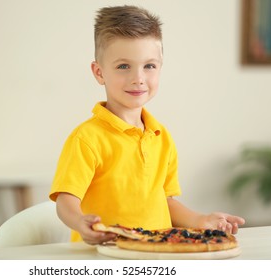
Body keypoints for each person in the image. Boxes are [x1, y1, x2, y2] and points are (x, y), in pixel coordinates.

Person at [49, 5, 245, 245]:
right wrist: (80, 222)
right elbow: (66, 200)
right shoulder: (87, 138)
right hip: (103, 258)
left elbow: (166, 202)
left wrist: (201, 220)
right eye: (123, 66)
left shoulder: (161, 136)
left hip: (156, 255)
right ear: (99, 72)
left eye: (149, 66)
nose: (138, 78)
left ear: (160, 68)